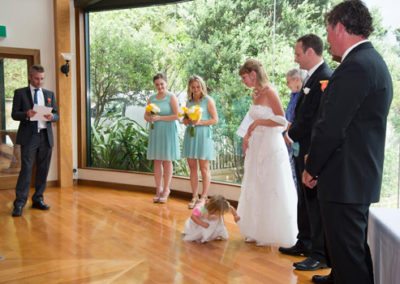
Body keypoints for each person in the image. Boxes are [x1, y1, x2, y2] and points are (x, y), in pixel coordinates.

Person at [302, 1, 393, 283]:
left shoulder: (356, 66)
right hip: (354, 176)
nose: (327, 39)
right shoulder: (369, 61)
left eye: (328, 31)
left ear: (340, 27)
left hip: (346, 177)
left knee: (349, 254)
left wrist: (312, 167)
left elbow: (331, 127)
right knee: (346, 247)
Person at [279, 34, 333, 272]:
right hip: (303, 148)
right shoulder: (310, 77)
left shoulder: (325, 78)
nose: (295, 57)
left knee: (314, 202)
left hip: (312, 150)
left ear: (310, 52)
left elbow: (317, 118)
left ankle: (319, 253)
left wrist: (291, 134)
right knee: (304, 199)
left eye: (298, 53)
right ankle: (305, 240)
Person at [236, 58, 297, 246]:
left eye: (245, 77)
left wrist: (258, 123)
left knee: (271, 184)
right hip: (257, 144)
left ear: (253, 74)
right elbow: (251, 119)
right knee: (256, 184)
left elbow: (283, 121)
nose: (243, 81)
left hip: (270, 144)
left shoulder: (270, 92)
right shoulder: (255, 93)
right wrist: (246, 136)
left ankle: (272, 231)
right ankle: (256, 229)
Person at [11, 64, 59, 217]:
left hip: (46, 136)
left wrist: (53, 117)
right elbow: (14, 114)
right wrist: (27, 114)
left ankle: (38, 199)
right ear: (30, 77)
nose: (40, 82)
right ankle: (19, 203)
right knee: (26, 170)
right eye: (37, 79)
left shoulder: (49, 93)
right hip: (29, 137)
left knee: (43, 169)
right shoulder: (20, 93)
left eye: (42, 79)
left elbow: (57, 114)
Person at [182, 75, 218, 209]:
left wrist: (200, 122)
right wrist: (185, 121)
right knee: (192, 167)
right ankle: (194, 196)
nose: (196, 89)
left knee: (204, 168)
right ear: (190, 88)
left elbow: (215, 119)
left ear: (202, 86)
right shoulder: (188, 102)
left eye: (198, 86)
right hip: (190, 136)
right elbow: (185, 120)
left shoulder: (208, 100)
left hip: (203, 136)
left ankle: (204, 197)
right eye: (193, 87)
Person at [145, 73, 180, 203]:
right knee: (157, 161)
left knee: (167, 160)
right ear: (154, 85)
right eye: (157, 84)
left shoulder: (171, 97)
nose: (159, 86)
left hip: (168, 131)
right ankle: (158, 189)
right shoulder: (152, 98)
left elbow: (177, 116)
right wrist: (150, 118)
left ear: (166, 83)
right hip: (155, 131)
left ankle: (166, 189)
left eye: (161, 84)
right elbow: (146, 116)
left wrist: (160, 118)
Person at [283, 68, 305, 186]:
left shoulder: (302, 96)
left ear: (296, 79)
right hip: (288, 136)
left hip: (295, 137)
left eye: (288, 81)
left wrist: (288, 131)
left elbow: (295, 118)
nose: (287, 85)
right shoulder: (294, 95)